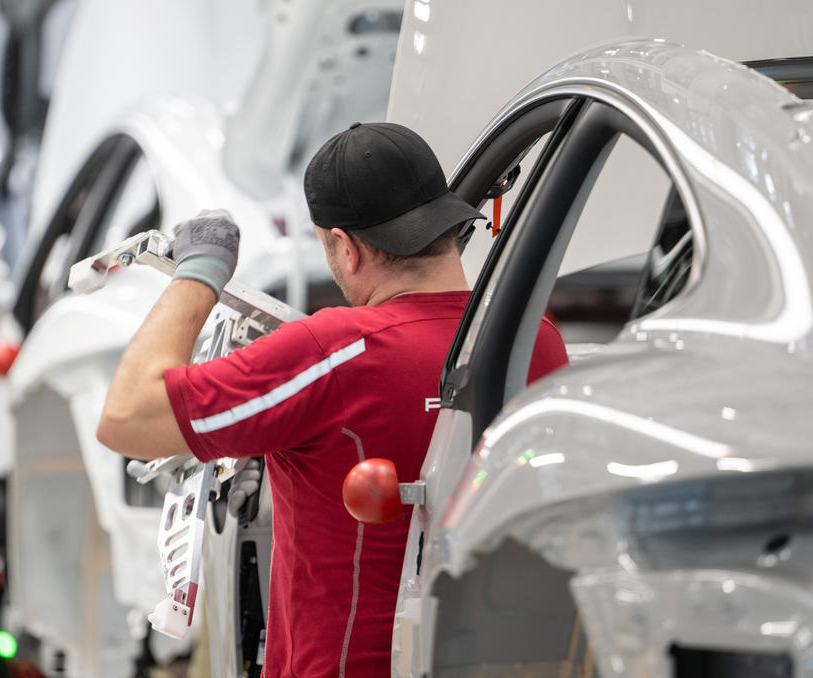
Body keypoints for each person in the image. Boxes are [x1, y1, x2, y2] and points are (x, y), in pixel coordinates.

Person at [97, 122, 568, 676]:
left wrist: (199, 273)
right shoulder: (536, 341)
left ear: (344, 249)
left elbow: (126, 417)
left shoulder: (332, 355)